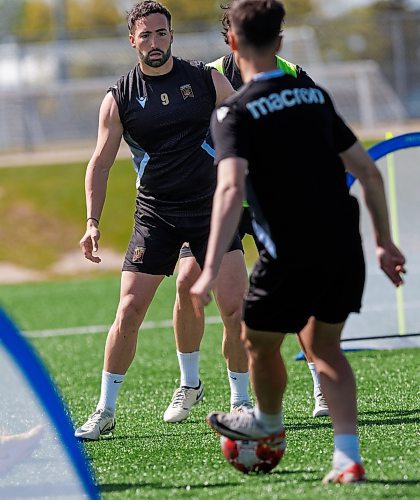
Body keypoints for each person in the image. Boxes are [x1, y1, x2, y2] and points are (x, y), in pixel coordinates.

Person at [190, 0, 406, 484]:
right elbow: (368, 172)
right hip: (343, 245)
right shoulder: (315, 97)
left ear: (232, 43)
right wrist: (384, 243)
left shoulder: (233, 111)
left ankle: (267, 423)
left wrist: (207, 270)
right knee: (325, 347)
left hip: (290, 252)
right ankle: (346, 457)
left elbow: (228, 188)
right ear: (281, 43)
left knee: (256, 341)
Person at [75, 0, 244, 440]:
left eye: (161, 33)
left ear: (172, 35)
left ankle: (240, 402)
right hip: (157, 215)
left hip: (211, 212)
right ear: (132, 40)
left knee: (232, 308)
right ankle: (105, 410)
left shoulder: (205, 79)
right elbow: (100, 163)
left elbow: (246, 120)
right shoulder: (119, 98)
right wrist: (92, 222)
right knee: (128, 310)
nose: (155, 42)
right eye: (145, 35)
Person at [167, 2, 328, 422]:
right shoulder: (209, 76)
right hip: (218, 202)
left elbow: (320, 136)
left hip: (275, 203)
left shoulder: (293, 76)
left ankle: (319, 385)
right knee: (189, 282)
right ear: (230, 34)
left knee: (294, 291)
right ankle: (193, 385)